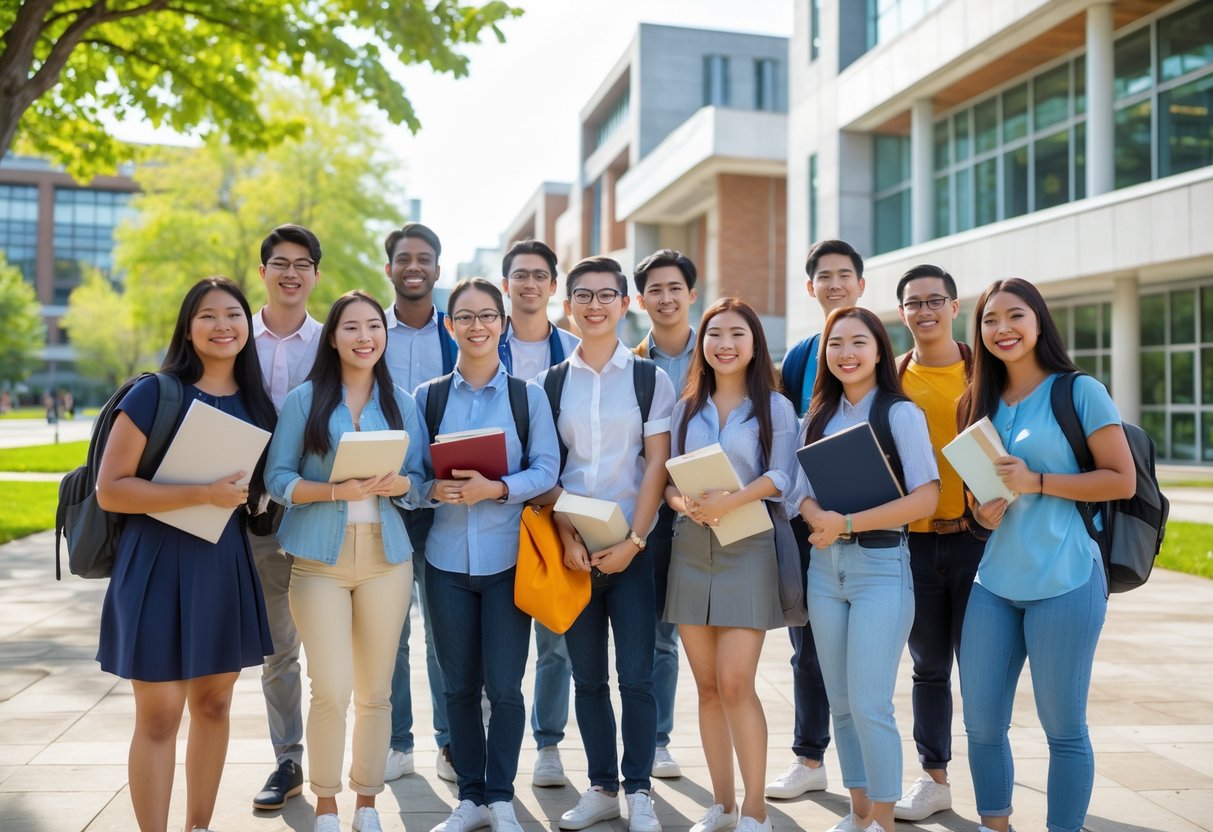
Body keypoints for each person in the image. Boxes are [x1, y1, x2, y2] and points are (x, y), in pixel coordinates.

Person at [95, 276, 277, 832]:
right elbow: (111, 489)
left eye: (234, 315)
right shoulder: (154, 392)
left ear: (249, 327)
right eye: (208, 316)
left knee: (215, 706)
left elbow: (258, 494)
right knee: (158, 715)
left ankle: (199, 826)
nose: (223, 326)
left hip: (221, 562)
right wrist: (199, 492)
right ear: (188, 327)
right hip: (152, 562)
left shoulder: (258, 404)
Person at [958, 278, 1135, 832]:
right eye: (989, 320)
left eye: (1015, 316)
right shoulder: (977, 400)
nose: (1002, 329)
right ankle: (996, 825)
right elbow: (979, 492)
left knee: (1063, 727)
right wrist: (979, 513)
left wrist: (1036, 480)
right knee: (983, 724)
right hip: (994, 582)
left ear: (1039, 322)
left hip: (1065, 578)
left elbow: (1121, 480)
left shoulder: (1080, 391)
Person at [265, 290, 428, 832]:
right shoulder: (303, 400)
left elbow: (422, 482)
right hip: (318, 560)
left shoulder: (402, 402)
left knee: (375, 690)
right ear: (332, 337)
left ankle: (366, 803)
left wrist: (399, 482)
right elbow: (278, 479)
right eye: (353, 327)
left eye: (374, 327)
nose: (365, 337)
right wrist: (335, 489)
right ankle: (327, 802)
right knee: (331, 687)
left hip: (387, 559)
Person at [416, 278, 561, 832]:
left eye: (487, 316)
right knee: (457, 685)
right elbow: (407, 477)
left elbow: (547, 470)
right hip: (446, 561)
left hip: (507, 562)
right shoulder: (426, 398)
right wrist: (432, 489)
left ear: (501, 325)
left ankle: (500, 796)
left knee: (503, 687)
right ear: (449, 327)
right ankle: (470, 798)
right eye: (465, 317)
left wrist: (496, 488)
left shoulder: (528, 396)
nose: (477, 326)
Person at [538, 256, 676, 832]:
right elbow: (547, 469)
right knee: (588, 676)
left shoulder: (650, 379)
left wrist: (636, 541)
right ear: (567, 305)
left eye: (607, 295)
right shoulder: (549, 383)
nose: (595, 305)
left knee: (637, 677)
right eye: (583, 296)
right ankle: (602, 787)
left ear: (626, 303)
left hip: (633, 550)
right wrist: (568, 535)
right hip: (572, 549)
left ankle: (639, 788)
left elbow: (656, 465)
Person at [793, 306, 939, 832]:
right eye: (835, 344)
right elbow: (798, 494)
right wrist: (819, 519)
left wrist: (847, 522)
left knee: (871, 702)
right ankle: (858, 815)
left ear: (879, 350)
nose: (846, 353)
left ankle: (884, 817)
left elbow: (927, 496)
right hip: (824, 570)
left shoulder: (900, 413)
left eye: (858, 342)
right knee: (842, 702)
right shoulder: (815, 418)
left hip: (881, 569)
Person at [664, 298, 795, 832]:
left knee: (736, 680)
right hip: (691, 548)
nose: (724, 343)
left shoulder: (775, 408)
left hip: (748, 545)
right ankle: (720, 805)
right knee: (708, 686)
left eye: (736, 334)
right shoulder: (685, 406)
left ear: (753, 343)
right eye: (715, 333)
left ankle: (755, 811)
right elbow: (672, 480)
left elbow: (782, 477)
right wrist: (685, 504)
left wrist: (729, 501)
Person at [769, 239, 866, 800]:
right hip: (809, 522)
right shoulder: (802, 357)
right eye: (823, 277)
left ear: (861, 284)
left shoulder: (884, 347)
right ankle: (810, 757)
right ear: (811, 288)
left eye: (844, 275)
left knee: (867, 653)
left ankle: (872, 766)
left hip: (874, 524)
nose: (834, 284)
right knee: (806, 643)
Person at [889, 264, 986, 823]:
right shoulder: (893, 379)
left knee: (981, 667)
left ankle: (990, 775)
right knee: (928, 667)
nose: (924, 311)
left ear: (954, 307)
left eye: (934, 301)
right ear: (902, 313)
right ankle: (934, 778)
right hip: (916, 545)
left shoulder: (984, 374)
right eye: (913, 303)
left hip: (979, 539)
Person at [492, 239, 582, 788]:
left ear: (554, 286)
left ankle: (548, 744)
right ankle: (474, 744)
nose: (529, 284)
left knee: (555, 639)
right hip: (491, 511)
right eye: (519, 276)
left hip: (556, 513)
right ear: (506, 285)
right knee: (494, 643)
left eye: (540, 276)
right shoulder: (479, 341)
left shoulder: (575, 352)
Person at [249, 224, 325, 811]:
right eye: (281, 263)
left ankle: (328, 758)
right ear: (264, 272)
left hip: (319, 508)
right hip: (240, 511)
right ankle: (287, 757)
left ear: (316, 275)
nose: (291, 273)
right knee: (277, 645)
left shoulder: (334, 342)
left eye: (303, 264)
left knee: (320, 642)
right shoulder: (230, 333)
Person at [382, 222, 458, 783]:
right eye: (404, 258)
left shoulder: (458, 335)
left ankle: (451, 742)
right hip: (380, 498)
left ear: (437, 268)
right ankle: (396, 741)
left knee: (444, 632)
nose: (414, 266)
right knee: (390, 632)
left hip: (445, 499)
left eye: (424, 258)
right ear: (389, 269)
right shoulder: (364, 331)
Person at [631, 248, 700, 780]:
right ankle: (653, 741)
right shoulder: (630, 364)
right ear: (641, 300)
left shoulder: (723, 351)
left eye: (675, 287)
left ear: (691, 294)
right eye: (655, 289)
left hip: (711, 512)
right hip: (652, 513)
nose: (666, 297)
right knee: (655, 632)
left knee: (689, 633)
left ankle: (664, 737)